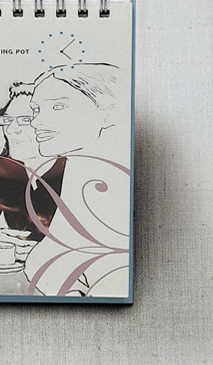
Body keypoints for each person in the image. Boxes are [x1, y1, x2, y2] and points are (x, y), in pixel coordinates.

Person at [22, 64, 131, 297]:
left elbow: (115, 277)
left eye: (58, 106)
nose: (36, 122)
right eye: (36, 110)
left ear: (109, 113)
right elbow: (47, 257)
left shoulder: (119, 178)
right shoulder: (78, 165)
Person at [0, 83, 65, 248]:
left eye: (25, 120)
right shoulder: (1, 170)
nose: (11, 130)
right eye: (8, 120)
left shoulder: (76, 172)